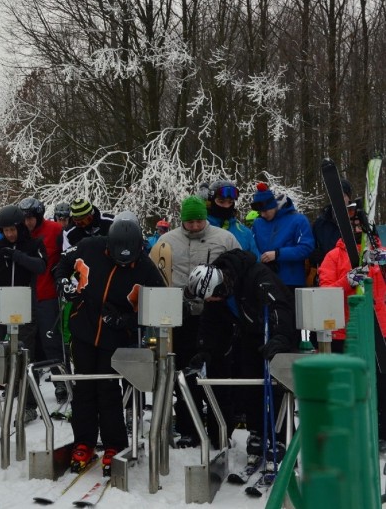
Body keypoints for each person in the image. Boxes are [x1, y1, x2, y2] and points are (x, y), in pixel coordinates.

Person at [55, 212, 165, 474]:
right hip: (83, 328)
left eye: (129, 260)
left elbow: (159, 307)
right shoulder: (89, 246)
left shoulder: (146, 268)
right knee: (82, 387)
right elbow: (62, 265)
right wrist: (63, 283)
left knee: (108, 389)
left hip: (115, 336)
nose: (125, 264)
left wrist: (125, 319)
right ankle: (84, 441)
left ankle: (115, 444)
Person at [187, 249, 296, 460]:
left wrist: (280, 337)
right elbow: (210, 323)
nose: (213, 301)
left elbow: (278, 306)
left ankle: (280, 434)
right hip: (249, 333)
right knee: (248, 383)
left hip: (274, 333)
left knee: (276, 385)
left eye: (214, 297)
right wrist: (205, 350)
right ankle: (256, 431)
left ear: (222, 286)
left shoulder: (257, 276)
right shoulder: (217, 295)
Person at [154, 195, 240, 447]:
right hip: (181, 316)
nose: (194, 226)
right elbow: (157, 274)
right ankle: (187, 427)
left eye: (199, 221)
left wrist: (226, 291)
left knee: (217, 372)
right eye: (189, 222)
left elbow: (241, 267)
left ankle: (220, 429)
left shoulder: (224, 239)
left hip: (216, 314)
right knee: (183, 372)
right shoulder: (166, 242)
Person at [317, 207, 386, 443]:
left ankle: (381, 432)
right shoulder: (333, 256)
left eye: (360, 226)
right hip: (343, 331)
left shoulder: (381, 253)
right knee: (346, 386)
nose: (357, 230)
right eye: (353, 226)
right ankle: (347, 432)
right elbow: (325, 292)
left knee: (380, 384)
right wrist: (346, 281)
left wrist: (382, 263)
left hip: (378, 330)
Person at [0, 205, 47, 423]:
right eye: (5, 231)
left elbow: (41, 266)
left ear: (20, 227)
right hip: (1, 301)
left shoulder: (34, 244)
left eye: (13, 230)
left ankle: (28, 403)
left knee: (25, 352)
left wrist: (17, 256)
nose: (9, 234)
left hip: (24, 302)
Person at [18, 196, 69, 403]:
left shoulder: (55, 230)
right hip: (24, 296)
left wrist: (61, 272)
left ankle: (61, 382)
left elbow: (68, 255)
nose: (28, 222)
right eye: (25, 219)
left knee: (52, 342)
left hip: (47, 294)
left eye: (32, 218)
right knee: (25, 343)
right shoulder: (19, 233)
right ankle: (25, 386)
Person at [250, 181, 315, 292]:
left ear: (273, 205)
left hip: (291, 282)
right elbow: (252, 247)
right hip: (264, 280)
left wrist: (278, 254)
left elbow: (306, 248)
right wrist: (260, 259)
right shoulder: (258, 223)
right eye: (260, 212)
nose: (263, 214)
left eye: (265, 211)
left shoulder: (298, 220)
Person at [203, 180, 259, 257]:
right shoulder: (199, 228)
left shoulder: (244, 233)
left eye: (230, 202)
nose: (226, 206)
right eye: (221, 202)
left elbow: (256, 262)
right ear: (211, 201)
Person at [310, 178, 354, 277]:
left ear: (349, 198)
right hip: (329, 272)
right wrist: (316, 256)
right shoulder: (321, 223)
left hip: (352, 271)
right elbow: (312, 249)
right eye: (335, 196)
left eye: (342, 196)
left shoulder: (357, 220)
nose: (338, 199)